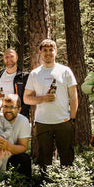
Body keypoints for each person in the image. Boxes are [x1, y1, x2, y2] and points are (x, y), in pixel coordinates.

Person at [23, 39, 79, 170]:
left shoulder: (65, 71)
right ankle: (44, 185)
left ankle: (67, 184)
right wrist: (42, 98)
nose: (48, 53)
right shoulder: (35, 74)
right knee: (44, 158)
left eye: (51, 50)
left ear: (56, 52)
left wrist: (72, 118)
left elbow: (74, 96)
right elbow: (26, 99)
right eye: (45, 50)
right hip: (43, 122)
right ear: (40, 53)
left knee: (67, 157)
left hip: (63, 121)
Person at [0, 94, 33, 176]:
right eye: (5, 106)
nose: (8, 110)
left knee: (24, 158)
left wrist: (8, 146)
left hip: (11, 155)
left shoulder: (23, 121)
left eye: (12, 107)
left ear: (19, 109)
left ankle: (23, 186)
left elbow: (23, 147)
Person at [0, 49, 30, 118]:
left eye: (12, 56)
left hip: (15, 117)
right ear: (3, 59)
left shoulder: (24, 77)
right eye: (6, 57)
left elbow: (26, 102)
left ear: (17, 58)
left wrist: (21, 116)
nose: (9, 59)